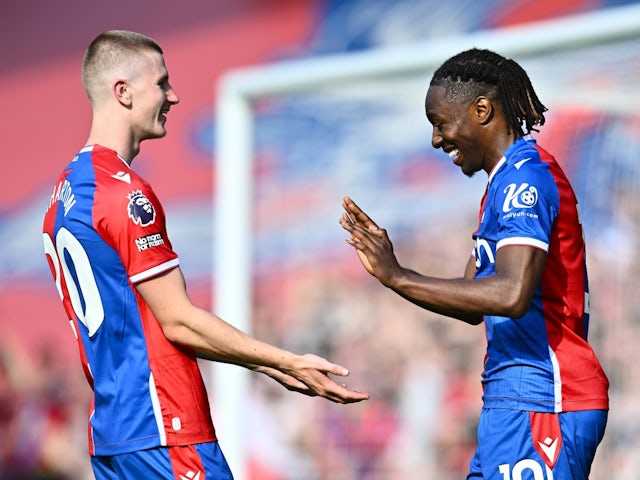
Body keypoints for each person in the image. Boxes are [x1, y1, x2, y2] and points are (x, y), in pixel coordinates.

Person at [42, 30, 368, 480]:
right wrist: (284, 360)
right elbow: (177, 320)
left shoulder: (60, 198)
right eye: (161, 83)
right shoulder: (124, 193)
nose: (173, 96)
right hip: (166, 428)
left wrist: (264, 365)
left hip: (115, 436)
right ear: (123, 91)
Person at [339, 48, 608, 479]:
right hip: (511, 400)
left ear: (481, 110)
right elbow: (472, 305)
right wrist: (395, 276)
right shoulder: (501, 184)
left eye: (440, 123)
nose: (435, 139)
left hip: (544, 396)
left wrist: (400, 276)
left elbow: (511, 292)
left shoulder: (525, 178)